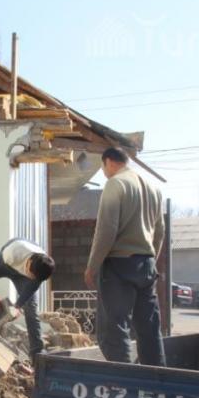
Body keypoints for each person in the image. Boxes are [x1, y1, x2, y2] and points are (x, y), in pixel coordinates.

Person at [84, 147, 166, 366]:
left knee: (114, 330)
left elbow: (106, 231)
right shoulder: (153, 188)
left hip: (119, 266)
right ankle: (157, 379)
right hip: (146, 265)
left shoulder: (116, 184)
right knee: (149, 329)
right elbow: (160, 231)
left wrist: (92, 266)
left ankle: (122, 380)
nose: (104, 173)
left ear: (109, 161)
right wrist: (151, 261)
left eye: (103, 167)